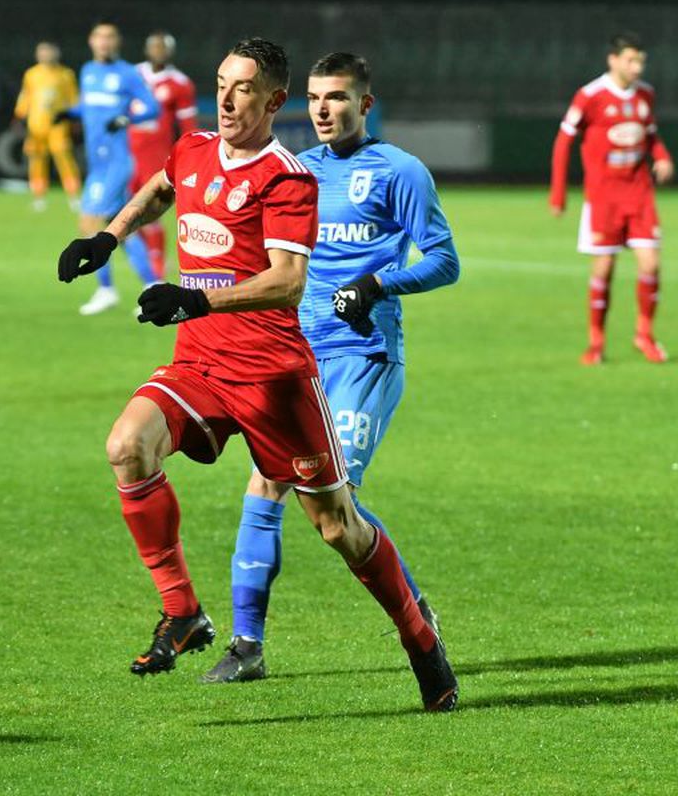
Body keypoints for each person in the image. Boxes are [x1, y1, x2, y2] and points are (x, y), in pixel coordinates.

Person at [57, 37, 458, 712]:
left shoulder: (286, 178)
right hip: (202, 364)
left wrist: (195, 298)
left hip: (274, 376)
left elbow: (287, 281)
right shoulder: (192, 148)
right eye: (220, 82)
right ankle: (186, 614)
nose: (226, 96)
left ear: (272, 101)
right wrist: (108, 238)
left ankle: (420, 638)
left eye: (242, 87)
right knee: (127, 446)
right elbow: (162, 188)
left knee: (337, 525)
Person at [201, 52, 460, 684]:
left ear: (364, 105)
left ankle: (413, 610)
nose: (322, 109)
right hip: (293, 359)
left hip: (362, 358)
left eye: (337, 98)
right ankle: (246, 645)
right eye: (314, 98)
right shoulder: (296, 173)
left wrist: (376, 286)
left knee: (332, 509)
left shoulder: (400, 172)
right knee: (264, 487)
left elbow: (445, 260)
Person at [550, 31, 674, 365]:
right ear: (614, 60)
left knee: (651, 263)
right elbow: (564, 142)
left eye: (641, 61)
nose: (637, 67)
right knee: (604, 269)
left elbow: (650, 135)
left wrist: (661, 156)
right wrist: (559, 192)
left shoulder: (645, 95)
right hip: (603, 198)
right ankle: (596, 341)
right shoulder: (590, 95)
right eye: (631, 60)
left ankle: (644, 334)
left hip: (639, 194)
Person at [65, 21, 161, 316]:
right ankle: (152, 285)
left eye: (109, 38)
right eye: (99, 37)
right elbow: (87, 107)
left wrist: (126, 119)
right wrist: (65, 113)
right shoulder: (88, 71)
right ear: (91, 41)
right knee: (122, 229)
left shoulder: (127, 73)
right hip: (97, 163)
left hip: (117, 163)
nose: (104, 42)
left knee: (90, 222)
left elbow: (153, 107)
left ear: (116, 42)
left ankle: (106, 289)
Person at [128, 31, 198, 280]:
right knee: (120, 213)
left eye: (162, 47)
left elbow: (188, 126)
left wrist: (192, 158)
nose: (158, 51)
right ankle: (144, 269)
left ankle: (156, 272)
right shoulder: (132, 75)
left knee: (149, 212)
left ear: (170, 51)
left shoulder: (180, 83)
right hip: (126, 157)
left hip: (155, 158)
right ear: (147, 49)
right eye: (154, 46)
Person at [12, 42, 81, 212]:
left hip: (58, 125)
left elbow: (74, 99)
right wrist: (19, 115)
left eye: (48, 52)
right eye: (42, 52)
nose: (45, 55)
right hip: (36, 124)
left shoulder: (66, 74)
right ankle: (38, 197)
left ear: (56, 53)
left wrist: (76, 119)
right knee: (37, 160)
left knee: (64, 158)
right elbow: (26, 96)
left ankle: (74, 196)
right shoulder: (32, 74)